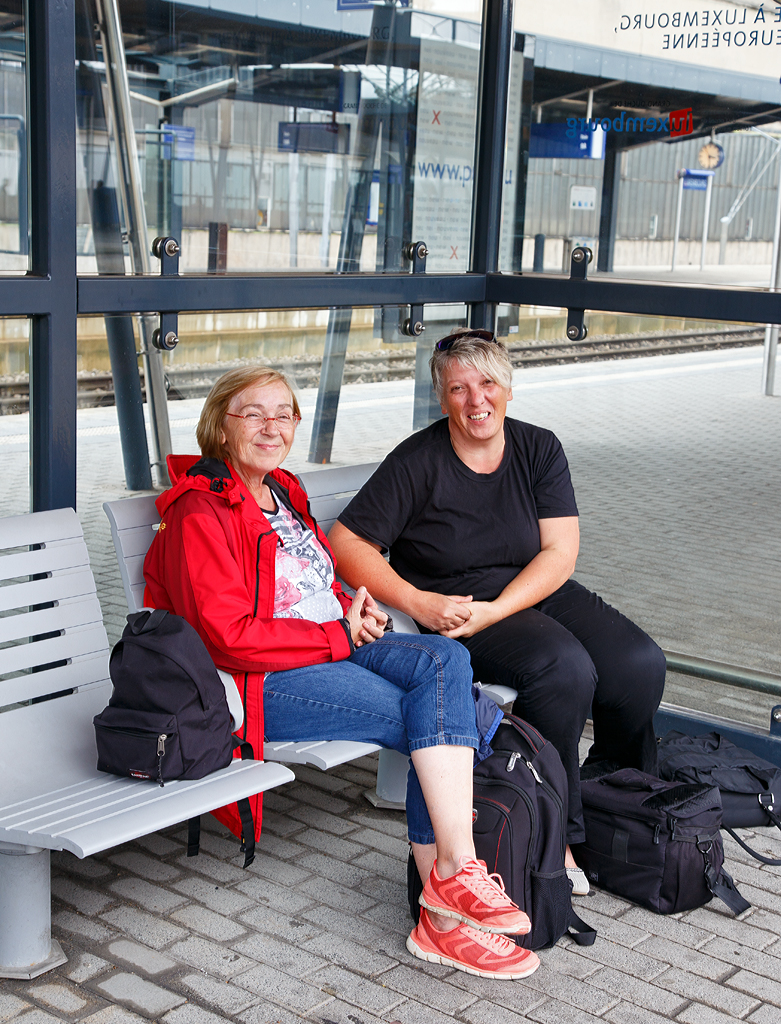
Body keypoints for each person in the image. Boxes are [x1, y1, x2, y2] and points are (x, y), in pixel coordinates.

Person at [142, 365, 539, 980]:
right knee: (437, 715)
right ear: (222, 425)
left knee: (449, 659)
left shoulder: (284, 490)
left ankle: (447, 891)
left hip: (331, 639)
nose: (272, 426)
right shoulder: (201, 512)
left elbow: (309, 580)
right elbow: (227, 638)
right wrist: (334, 630)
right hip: (258, 679)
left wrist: (349, 601)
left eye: (284, 413)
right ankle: (451, 901)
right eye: (254, 413)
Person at [329, 329, 667, 894]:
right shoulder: (419, 460)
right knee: (563, 670)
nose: (475, 399)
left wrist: (500, 609)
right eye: (458, 388)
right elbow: (347, 543)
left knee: (639, 664)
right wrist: (419, 603)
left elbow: (560, 551)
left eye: (487, 383)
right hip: (456, 603)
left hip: (527, 590)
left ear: (508, 388)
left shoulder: (538, 448)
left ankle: (612, 796)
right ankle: (552, 834)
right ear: (442, 398)